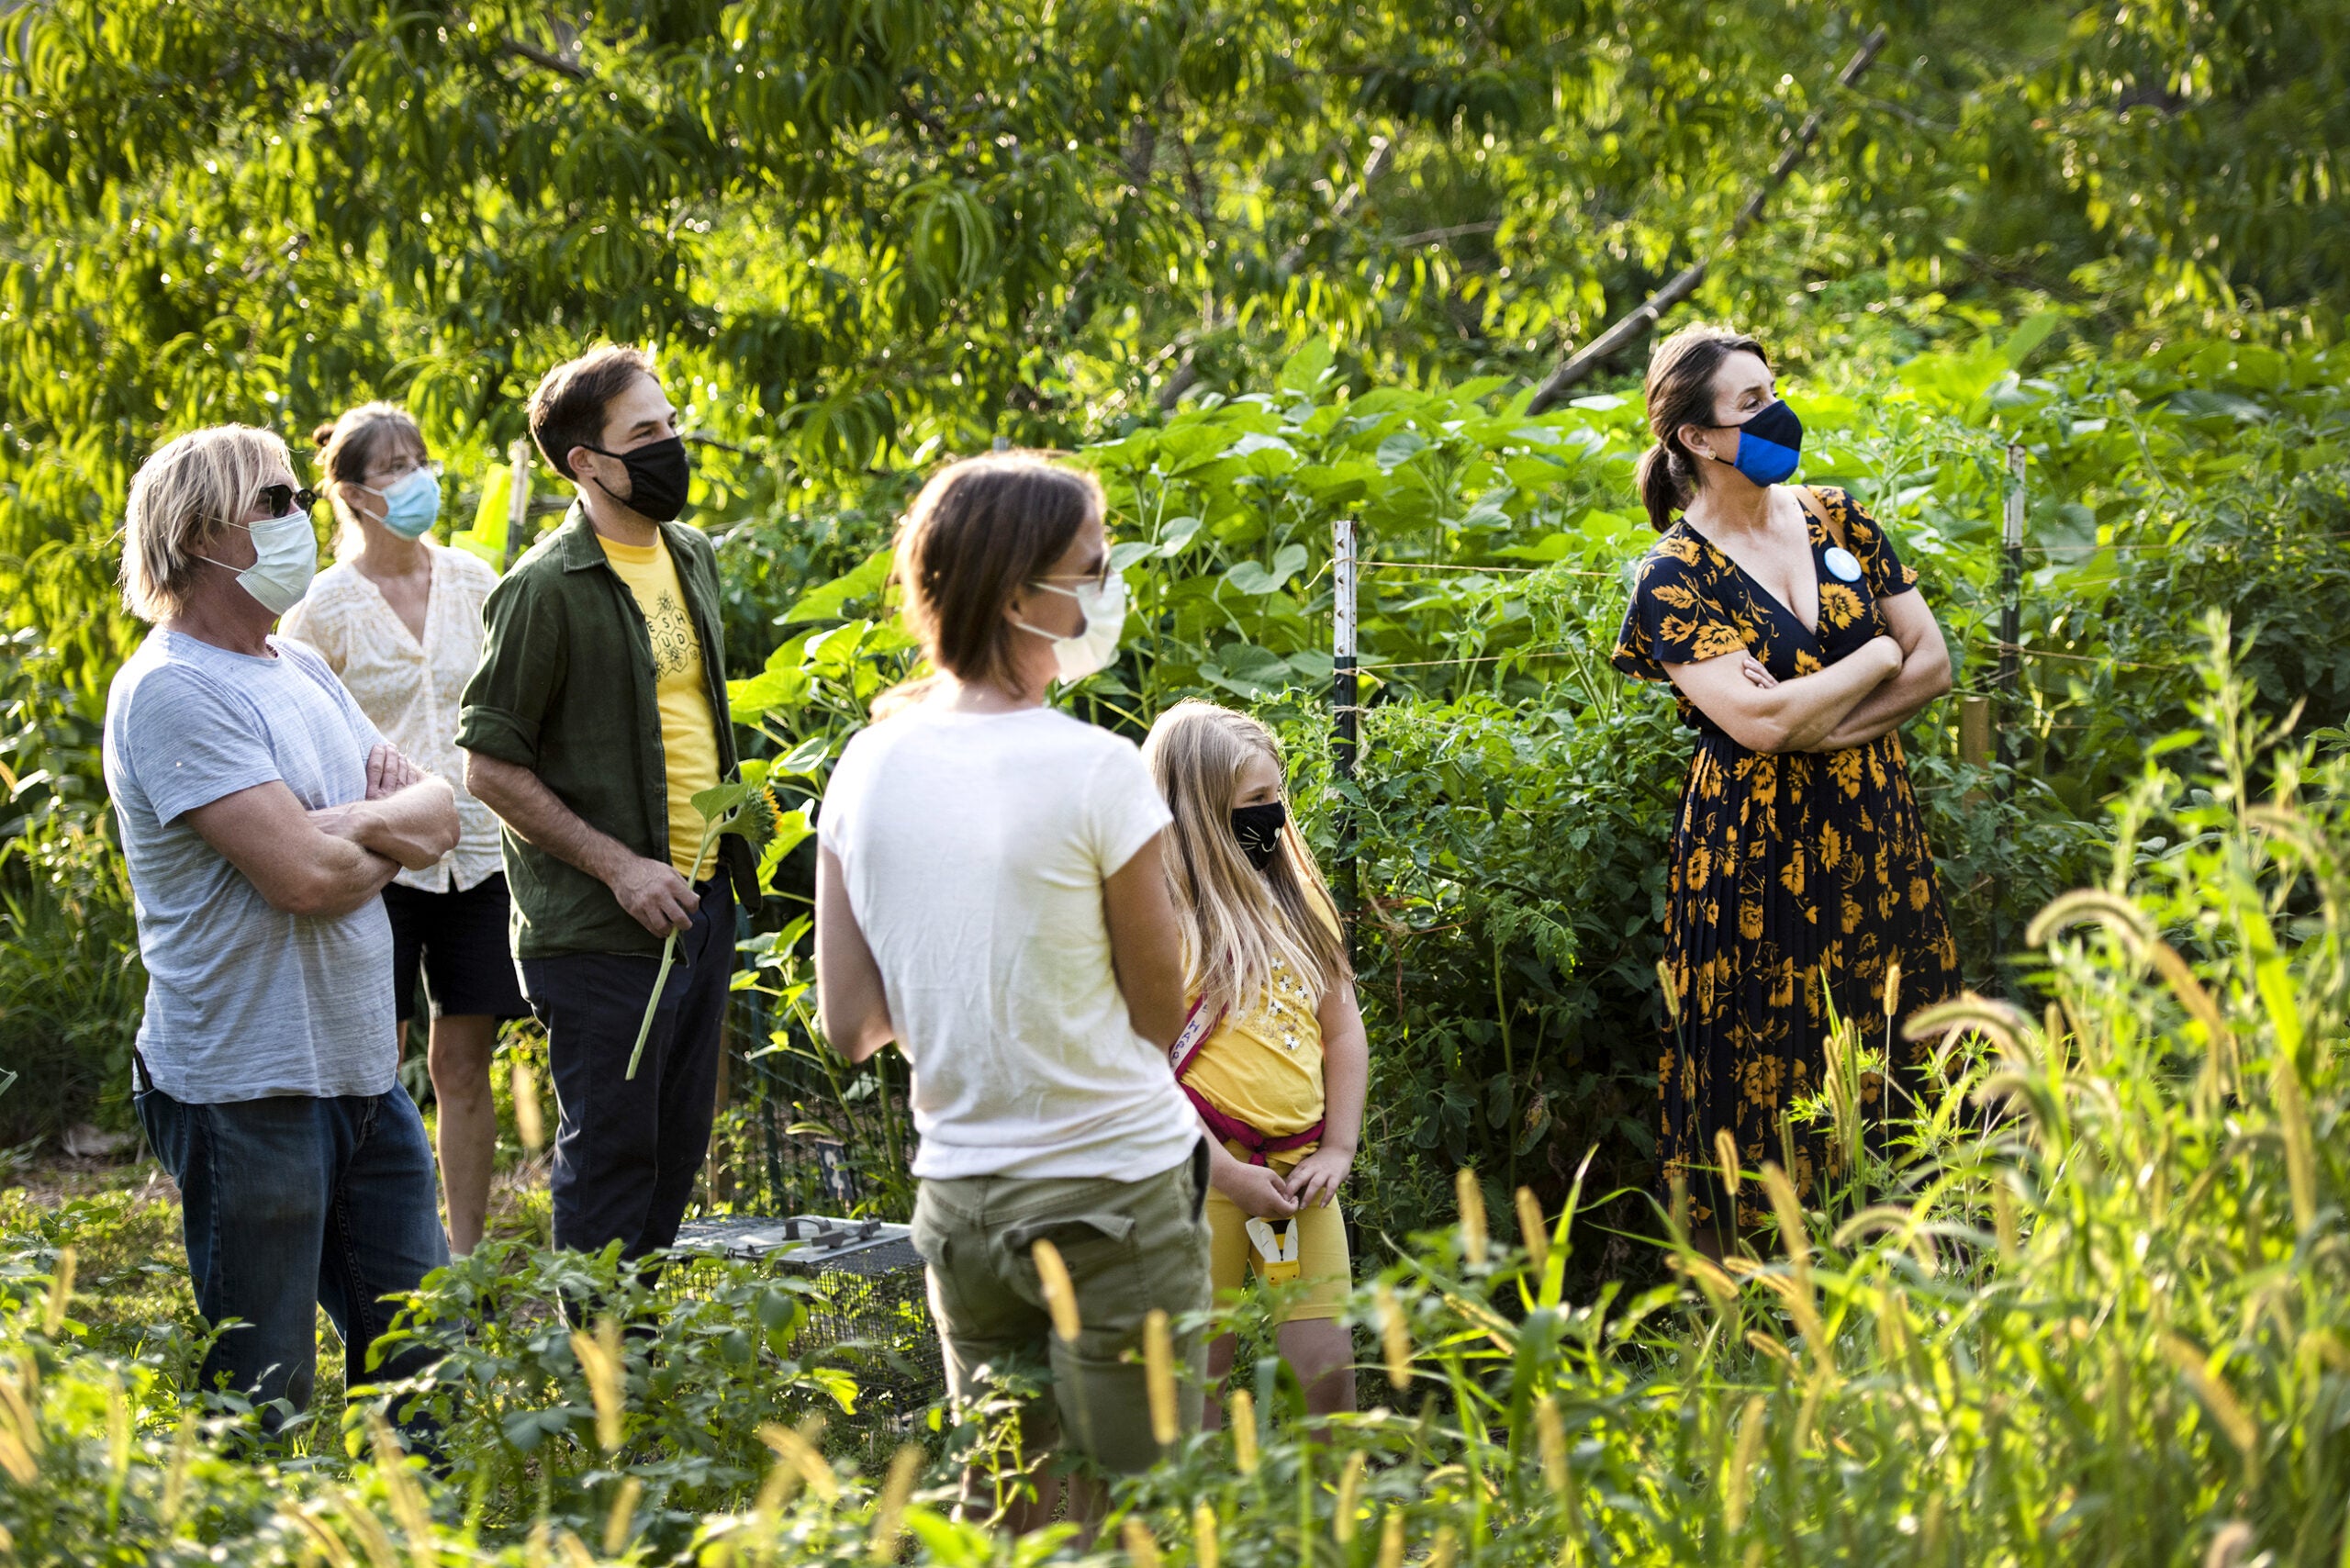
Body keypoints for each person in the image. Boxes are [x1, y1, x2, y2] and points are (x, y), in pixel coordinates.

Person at [814, 453, 1205, 1530]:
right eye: (1091, 566)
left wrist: (965, 997)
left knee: (1013, 1523)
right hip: (1110, 1191)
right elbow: (1159, 1007)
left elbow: (848, 1024)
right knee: (1149, 1511)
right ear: (1016, 593)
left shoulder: (865, 766)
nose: (1106, 585)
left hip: (962, 1202)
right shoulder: (1095, 767)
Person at [102, 424, 460, 1429]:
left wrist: (354, 824)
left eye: (298, 497)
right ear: (199, 531)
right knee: (264, 1396)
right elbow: (302, 877)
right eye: (275, 500)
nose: (300, 516)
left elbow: (441, 812)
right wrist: (377, 832)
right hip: (245, 1088)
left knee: (420, 1366)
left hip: (361, 1076)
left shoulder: (297, 667)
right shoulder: (172, 689)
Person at [1610, 323, 1960, 1247]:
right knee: (1764, 1058)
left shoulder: (1838, 517)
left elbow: (1935, 666)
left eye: (1774, 390)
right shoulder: (1672, 577)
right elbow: (1759, 725)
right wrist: (1873, 653)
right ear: (1695, 438)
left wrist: (1817, 720)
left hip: (1874, 830)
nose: (1778, 413)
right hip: (1751, 856)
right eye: (1752, 403)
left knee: (1898, 1037)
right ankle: (1768, 1288)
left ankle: (1909, 1254)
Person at [456, 345, 759, 1267]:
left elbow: (683, 715)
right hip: (601, 930)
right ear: (586, 462)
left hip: (699, 908)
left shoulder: (691, 554)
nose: (672, 445)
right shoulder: (543, 590)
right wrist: (620, 866)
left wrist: (739, 816)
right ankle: (600, 1386)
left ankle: (649, 1372)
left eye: (671, 425)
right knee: (613, 1158)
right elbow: (488, 765)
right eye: (646, 435)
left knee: (675, 1149)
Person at [281, 403, 527, 1255]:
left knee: (464, 1065)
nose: (416, 476)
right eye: (393, 467)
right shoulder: (321, 609)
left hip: (482, 853)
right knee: (373, 1072)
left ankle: (461, 1257)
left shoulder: (474, 578)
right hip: (378, 863)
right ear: (351, 492)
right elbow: (292, 724)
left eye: (419, 459)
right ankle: (382, 1246)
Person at [1140, 700, 1367, 1426]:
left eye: (1277, 797)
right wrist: (1230, 1175)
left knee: (1327, 1372)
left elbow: (1344, 1032)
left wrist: (1339, 1146)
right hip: (1199, 1178)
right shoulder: (1160, 924)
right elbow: (1141, 1072)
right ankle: (1203, 1533)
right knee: (1195, 1380)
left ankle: (1334, 1525)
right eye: (1255, 802)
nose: (1273, 816)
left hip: (1302, 1178)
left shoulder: (1301, 904)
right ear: (1201, 812)